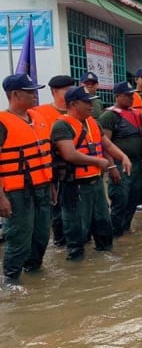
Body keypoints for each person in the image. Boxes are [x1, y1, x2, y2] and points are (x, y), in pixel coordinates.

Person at [52, 86, 132, 260]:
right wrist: (97, 161)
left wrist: (123, 157)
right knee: (77, 230)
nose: (91, 105)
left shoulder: (92, 122)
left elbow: (107, 145)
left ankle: (105, 262)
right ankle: (76, 268)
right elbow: (69, 154)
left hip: (95, 183)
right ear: (73, 104)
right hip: (75, 187)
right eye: (87, 102)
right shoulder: (61, 126)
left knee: (103, 224)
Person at [0, 74, 52, 283]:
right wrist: (1, 198)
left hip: (42, 187)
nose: (35, 95)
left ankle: (35, 276)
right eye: (30, 92)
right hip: (16, 192)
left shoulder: (36, 118)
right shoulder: (2, 123)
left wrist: (51, 184)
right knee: (19, 239)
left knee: (41, 237)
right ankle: (11, 283)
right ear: (14, 94)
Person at [99, 81, 142, 236]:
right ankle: (115, 233)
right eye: (127, 95)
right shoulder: (109, 116)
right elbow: (105, 145)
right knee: (120, 200)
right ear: (117, 96)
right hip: (119, 165)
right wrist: (111, 167)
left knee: (133, 199)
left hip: (136, 164)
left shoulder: (135, 113)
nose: (131, 98)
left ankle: (126, 229)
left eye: (132, 95)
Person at [34, 75, 76, 247]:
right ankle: (60, 242)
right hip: (54, 169)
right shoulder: (40, 113)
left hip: (77, 168)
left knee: (75, 208)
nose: (70, 93)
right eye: (66, 90)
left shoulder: (78, 110)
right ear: (54, 92)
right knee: (57, 209)